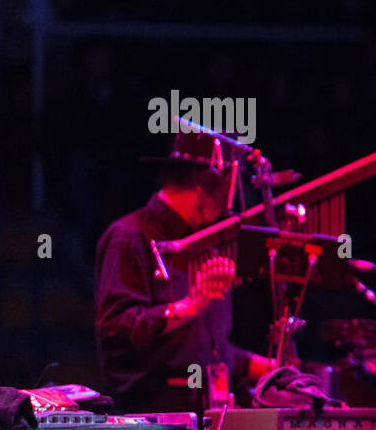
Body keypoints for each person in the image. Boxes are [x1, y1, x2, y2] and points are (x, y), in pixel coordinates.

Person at [95, 126, 272, 412]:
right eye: (230, 187)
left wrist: (269, 367)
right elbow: (116, 329)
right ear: (205, 186)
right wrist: (189, 306)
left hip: (211, 409)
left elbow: (204, 351)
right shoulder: (129, 236)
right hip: (155, 417)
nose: (229, 209)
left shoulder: (205, 241)